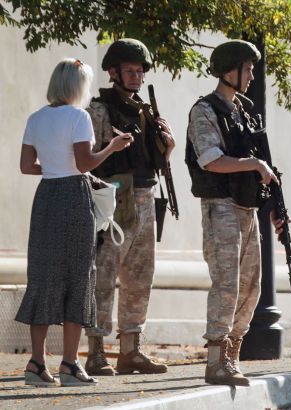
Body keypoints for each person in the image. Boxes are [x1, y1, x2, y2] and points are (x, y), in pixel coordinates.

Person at [15, 58, 133, 387]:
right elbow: (84, 164)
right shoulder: (79, 117)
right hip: (73, 198)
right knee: (79, 277)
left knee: (43, 276)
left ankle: (36, 363)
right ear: (77, 86)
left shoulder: (36, 118)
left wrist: (54, 167)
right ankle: (69, 363)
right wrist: (111, 147)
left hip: (46, 197)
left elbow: (26, 166)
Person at [186, 39, 286, 386]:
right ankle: (216, 360)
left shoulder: (243, 111)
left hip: (247, 208)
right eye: (248, 69)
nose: (252, 76)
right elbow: (210, 159)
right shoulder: (205, 111)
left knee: (250, 286)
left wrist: (273, 207)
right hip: (221, 207)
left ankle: (232, 356)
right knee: (226, 284)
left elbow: (261, 164)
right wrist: (253, 164)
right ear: (230, 70)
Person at [84, 38, 175, 376]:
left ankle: (130, 349)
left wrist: (168, 145)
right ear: (113, 72)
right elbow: (87, 158)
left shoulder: (145, 111)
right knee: (104, 275)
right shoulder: (98, 110)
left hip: (146, 196)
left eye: (140, 71)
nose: (137, 76)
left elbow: (156, 160)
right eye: (130, 71)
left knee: (140, 275)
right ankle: (95, 351)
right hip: (113, 197)